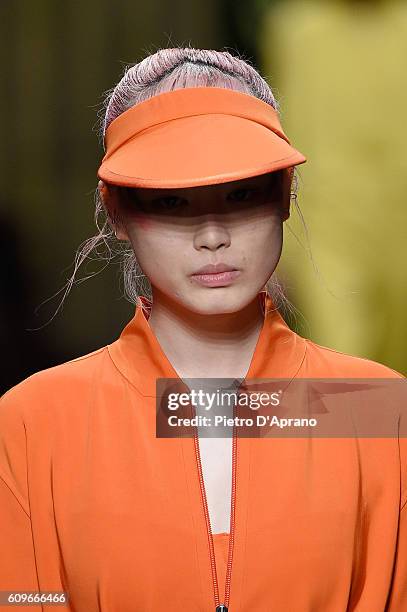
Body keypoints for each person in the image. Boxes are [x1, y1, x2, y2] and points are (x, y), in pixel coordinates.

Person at [0, 47, 405, 612]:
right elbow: (23, 599)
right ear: (115, 211)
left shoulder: (376, 410)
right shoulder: (32, 423)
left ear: (284, 193)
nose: (212, 234)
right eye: (171, 200)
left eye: (241, 193)